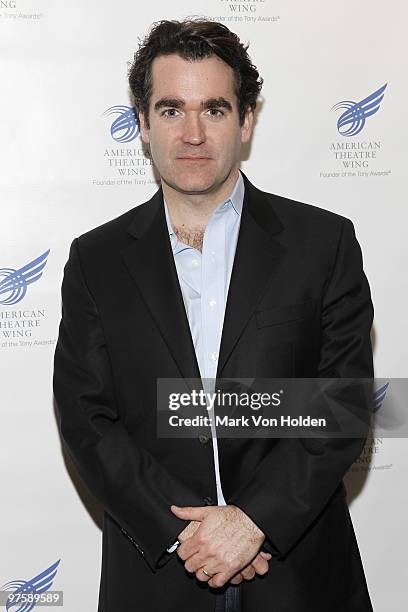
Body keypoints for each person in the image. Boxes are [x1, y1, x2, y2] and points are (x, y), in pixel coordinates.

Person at [53, 17, 374, 612]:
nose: (193, 133)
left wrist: (254, 522)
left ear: (247, 119)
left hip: (297, 572)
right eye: (171, 110)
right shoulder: (95, 260)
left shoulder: (322, 244)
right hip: (156, 577)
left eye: (216, 109)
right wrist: (190, 533)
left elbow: (345, 402)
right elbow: (86, 420)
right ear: (143, 124)